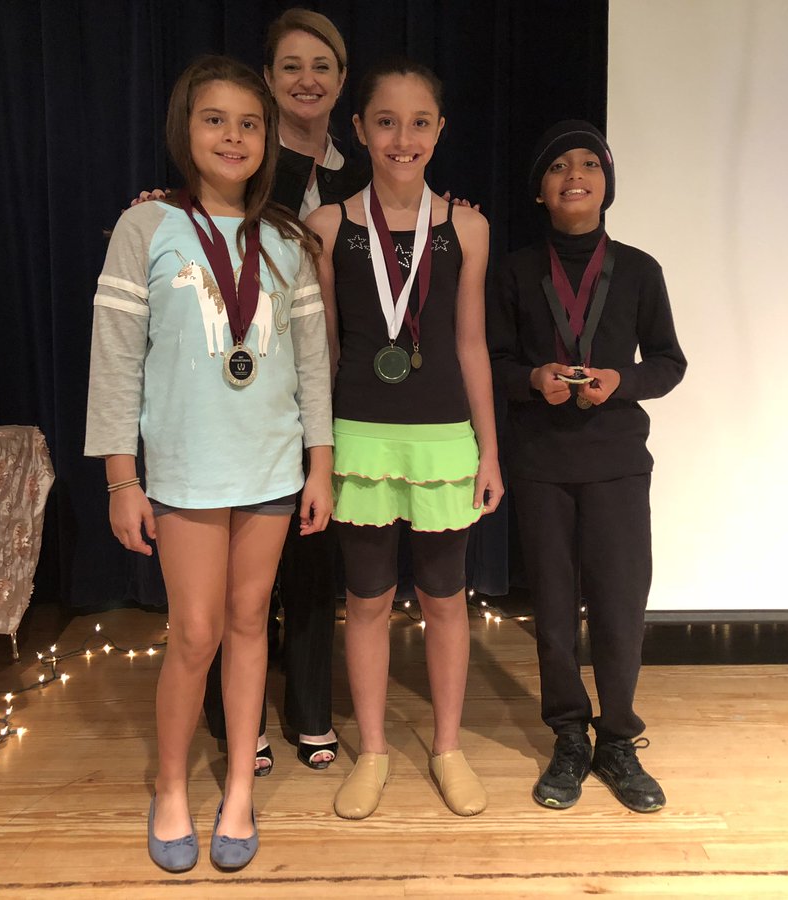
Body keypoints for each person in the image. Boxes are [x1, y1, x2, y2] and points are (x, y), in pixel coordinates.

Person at [85, 55, 332, 872]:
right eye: (215, 119)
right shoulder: (146, 227)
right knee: (194, 632)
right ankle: (169, 787)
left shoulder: (287, 240)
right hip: (187, 468)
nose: (233, 136)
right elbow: (116, 359)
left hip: (271, 465)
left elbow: (312, 365)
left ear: (269, 140)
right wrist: (121, 476)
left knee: (250, 622)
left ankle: (237, 792)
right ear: (184, 130)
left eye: (250, 123)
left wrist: (320, 463)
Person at [137, 9, 368, 775]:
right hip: (229, 403)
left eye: (323, 66)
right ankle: (238, 731)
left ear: (342, 81)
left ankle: (308, 711)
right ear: (269, 82)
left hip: (317, 399)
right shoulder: (188, 203)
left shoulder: (361, 175)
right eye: (291, 65)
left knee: (305, 572)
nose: (308, 79)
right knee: (218, 611)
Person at [303, 58, 503, 821]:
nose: (402, 137)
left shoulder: (468, 228)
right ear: (359, 129)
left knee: (446, 601)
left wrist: (489, 451)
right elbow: (323, 350)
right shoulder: (328, 227)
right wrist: (318, 454)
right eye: (386, 121)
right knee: (367, 602)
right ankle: (376, 751)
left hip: (444, 443)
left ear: (440, 131)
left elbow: (471, 345)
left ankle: (447, 747)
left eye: (419, 122)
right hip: (359, 441)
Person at [488, 121, 686, 814]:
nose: (574, 175)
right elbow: (494, 362)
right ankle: (569, 735)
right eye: (557, 167)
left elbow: (669, 362)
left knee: (619, 607)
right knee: (551, 608)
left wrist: (621, 382)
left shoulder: (639, 270)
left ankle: (619, 739)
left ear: (607, 184)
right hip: (542, 464)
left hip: (618, 464)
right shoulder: (515, 271)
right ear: (539, 192)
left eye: (589, 164)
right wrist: (532, 378)